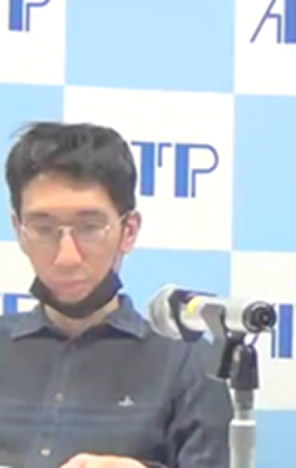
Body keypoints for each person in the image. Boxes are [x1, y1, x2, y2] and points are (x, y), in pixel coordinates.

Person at [0, 122, 232, 468]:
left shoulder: (190, 364)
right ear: (19, 231)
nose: (67, 257)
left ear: (129, 231)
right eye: (44, 228)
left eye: (90, 228)